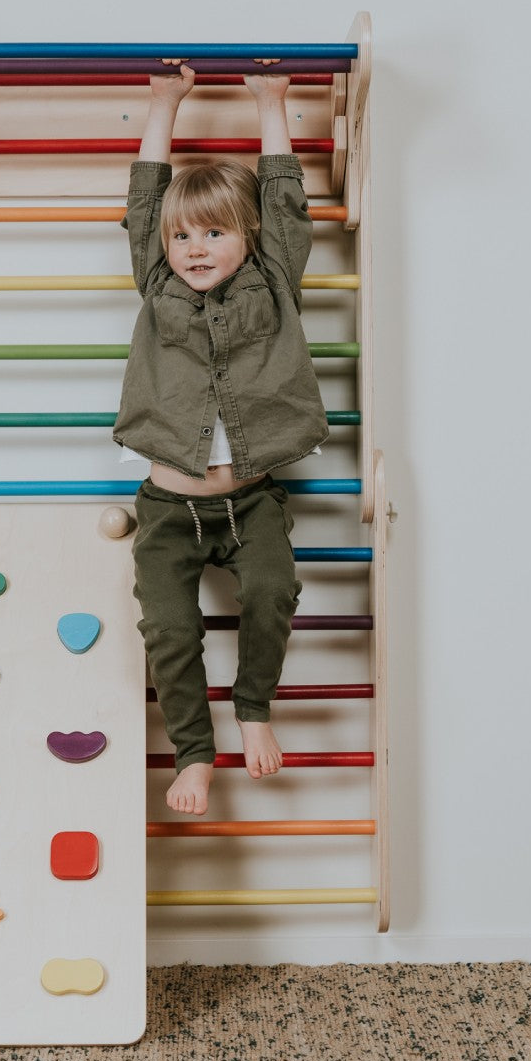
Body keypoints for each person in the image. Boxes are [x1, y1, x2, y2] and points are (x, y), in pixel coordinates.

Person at [113, 63, 329, 816]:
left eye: (214, 232)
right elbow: (144, 204)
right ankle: (194, 754)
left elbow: (285, 199)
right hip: (168, 511)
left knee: (273, 591)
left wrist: (272, 103)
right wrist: (164, 103)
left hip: (252, 503)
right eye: (183, 235)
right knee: (170, 631)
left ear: (251, 237)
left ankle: (254, 707)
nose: (194, 247)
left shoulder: (275, 277)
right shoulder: (157, 281)